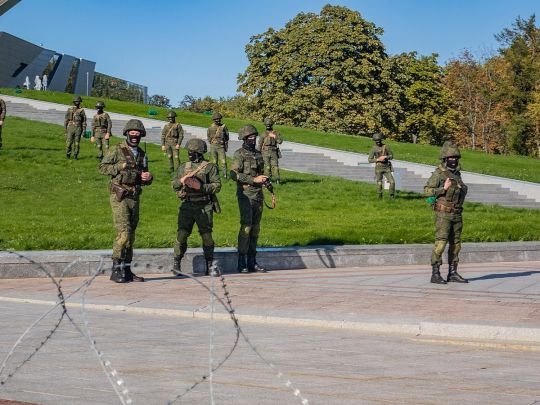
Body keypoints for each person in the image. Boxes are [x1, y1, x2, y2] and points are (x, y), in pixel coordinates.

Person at [99, 119, 153, 283]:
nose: (135, 136)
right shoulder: (117, 149)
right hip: (119, 196)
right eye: (132, 133)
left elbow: (143, 176)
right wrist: (119, 166)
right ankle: (116, 269)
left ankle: (127, 270)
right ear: (127, 133)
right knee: (124, 233)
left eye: (138, 133)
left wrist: (148, 177)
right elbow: (102, 168)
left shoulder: (142, 154)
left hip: (134, 197)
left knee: (131, 236)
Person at [171, 138, 221, 276]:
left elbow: (217, 186)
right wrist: (181, 181)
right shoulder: (183, 167)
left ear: (199, 152)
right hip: (187, 205)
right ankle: (176, 262)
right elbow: (174, 185)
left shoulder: (210, 167)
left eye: (192, 151)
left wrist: (201, 187)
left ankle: (210, 265)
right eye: (189, 151)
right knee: (182, 234)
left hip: (204, 205)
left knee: (207, 236)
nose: (190, 154)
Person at [424, 141, 469, 284]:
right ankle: (435, 273)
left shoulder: (457, 174)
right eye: (451, 158)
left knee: (456, 244)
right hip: (443, 215)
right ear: (445, 158)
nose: (453, 160)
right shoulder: (438, 174)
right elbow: (427, 191)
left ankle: (453, 273)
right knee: (441, 243)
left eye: (455, 158)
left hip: (457, 213)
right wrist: (443, 188)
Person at [230, 124, 269, 273]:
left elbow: (260, 173)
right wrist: (253, 180)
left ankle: (252, 261)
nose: (253, 140)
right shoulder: (239, 154)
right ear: (244, 138)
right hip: (246, 195)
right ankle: (242, 261)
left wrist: (264, 180)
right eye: (250, 137)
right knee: (246, 227)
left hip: (258, 194)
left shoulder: (258, 154)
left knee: (256, 228)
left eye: (254, 137)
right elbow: (234, 174)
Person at [368, 133, 395, 199]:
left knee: (392, 182)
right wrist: (378, 159)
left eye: (379, 140)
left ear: (381, 140)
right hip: (378, 168)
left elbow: (391, 156)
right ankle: (379, 196)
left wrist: (385, 157)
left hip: (386, 167)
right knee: (379, 183)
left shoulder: (386, 147)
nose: (378, 142)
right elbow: (370, 160)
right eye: (376, 141)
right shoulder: (373, 149)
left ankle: (391, 196)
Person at [258, 117, 283, 184]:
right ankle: (268, 180)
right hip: (265, 152)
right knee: (267, 167)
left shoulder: (276, 133)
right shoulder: (263, 134)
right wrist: (257, 153)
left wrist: (274, 136)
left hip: (274, 152)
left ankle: (277, 180)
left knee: (275, 167)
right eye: (267, 124)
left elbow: (280, 141)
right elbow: (260, 144)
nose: (268, 125)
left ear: (272, 124)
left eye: (269, 124)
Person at [207, 112, 229, 178]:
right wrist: (212, 142)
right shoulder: (210, 127)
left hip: (221, 147)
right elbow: (208, 136)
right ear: (213, 120)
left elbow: (227, 136)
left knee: (223, 162)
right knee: (214, 162)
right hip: (213, 146)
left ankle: (225, 175)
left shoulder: (223, 127)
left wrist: (224, 142)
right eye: (216, 119)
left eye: (219, 119)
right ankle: (215, 175)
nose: (218, 120)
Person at [64, 95, 87, 160]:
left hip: (78, 128)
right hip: (70, 127)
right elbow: (66, 120)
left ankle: (75, 155)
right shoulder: (69, 110)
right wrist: (65, 130)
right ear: (74, 102)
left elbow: (84, 121)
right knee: (69, 143)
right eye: (76, 101)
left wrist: (84, 131)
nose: (77, 103)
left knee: (77, 143)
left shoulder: (82, 111)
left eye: (78, 101)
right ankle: (68, 154)